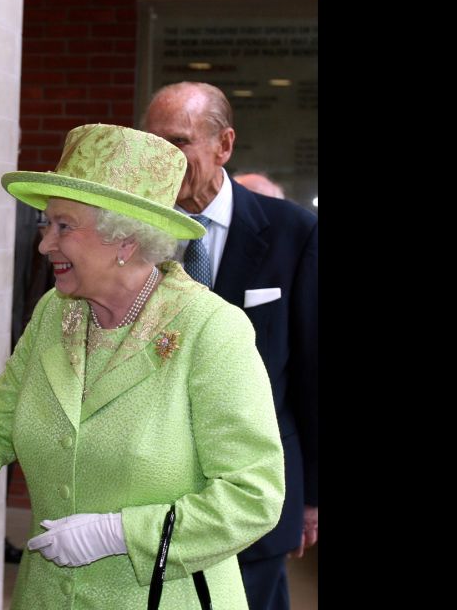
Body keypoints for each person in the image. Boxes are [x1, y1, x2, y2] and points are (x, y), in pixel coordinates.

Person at [0, 124, 285, 609]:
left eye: (63, 226)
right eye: (46, 225)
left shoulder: (211, 329)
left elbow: (254, 494)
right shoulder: (55, 312)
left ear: (125, 240)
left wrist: (119, 533)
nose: (45, 244)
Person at [143, 82, 318, 610]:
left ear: (224, 145)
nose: (163, 158)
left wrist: (312, 497)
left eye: (177, 142)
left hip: (254, 495)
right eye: (152, 142)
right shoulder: (129, 230)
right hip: (151, 494)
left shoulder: (293, 232)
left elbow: (312, 372)